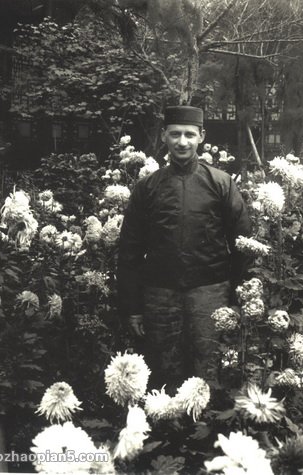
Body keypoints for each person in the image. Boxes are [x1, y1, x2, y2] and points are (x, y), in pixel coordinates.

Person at [117, 105, 251, 390]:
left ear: (201, 136)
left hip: (210, 294)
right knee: (163, 373)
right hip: (159, 295)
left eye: (189, 134)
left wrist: (239, 302)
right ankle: (168, 432)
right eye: (175, 134)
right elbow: (129, 251)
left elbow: (242, 245)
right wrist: (133, 308)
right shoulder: (147, 188)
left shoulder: (221, 184)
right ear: (164, 135)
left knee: (209, 372)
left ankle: (208, 432)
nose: (182, 141)